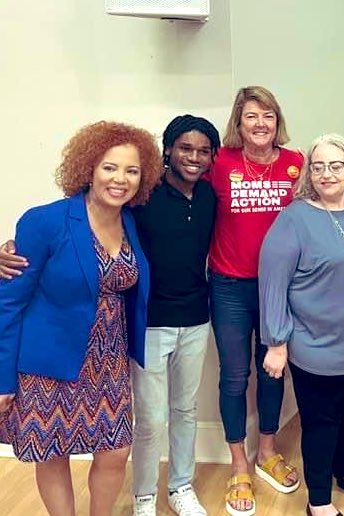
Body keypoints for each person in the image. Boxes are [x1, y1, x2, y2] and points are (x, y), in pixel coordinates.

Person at [0, 116, 221, 516]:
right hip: (51, 362)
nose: (120, 179)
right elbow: (10, 301)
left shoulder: (131, 220)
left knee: (115, 452)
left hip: (110, 361)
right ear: (89, 168)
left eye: (132, 170)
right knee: (53, 453)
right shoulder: (46, 221)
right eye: (110, 167)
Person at [259, 134, 344, 516]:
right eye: (317, 166)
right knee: (321, 423)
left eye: (336, 165)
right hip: (319, 346)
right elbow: (273, 282)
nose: (326, 173)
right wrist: (276, 342)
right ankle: (318, 499)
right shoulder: (294, 219)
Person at [208, 86, 303, 516]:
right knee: (234, 375)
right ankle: (239, 464)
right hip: (228, 285)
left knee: (272, 371)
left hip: (278, 289)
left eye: (267, 115)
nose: (260, 124)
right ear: (239, 122)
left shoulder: (295, 164)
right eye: (251, 116)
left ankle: (267, 450)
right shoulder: (219, 162)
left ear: (276, 119)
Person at [128, 115, 219, 516]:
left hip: (197, 319)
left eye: (203, 151)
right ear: (168, 149)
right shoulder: (141, 195)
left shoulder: (210, 197)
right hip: (149, 323)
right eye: (185, 148)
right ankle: (144, 496)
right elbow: (89, 208)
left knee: (185, 410)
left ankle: (181, 486)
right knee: (150, 418)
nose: (194, 157)